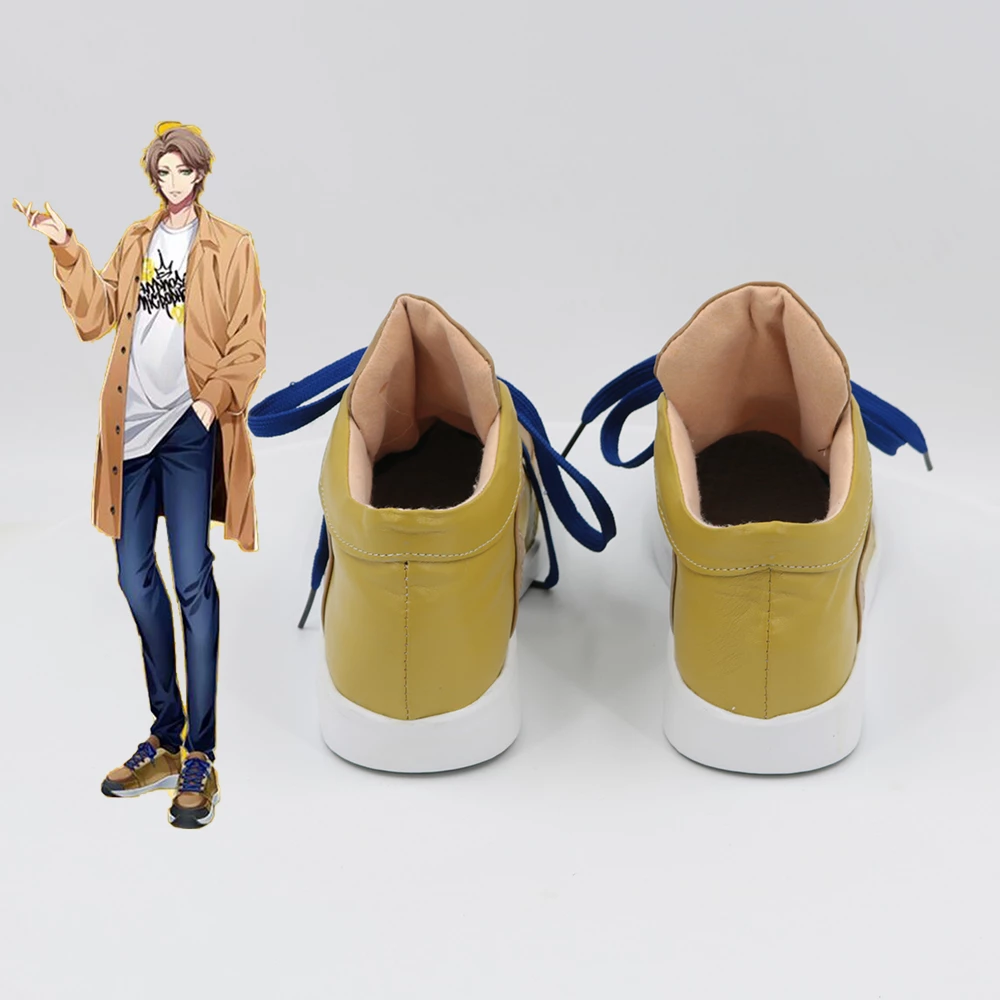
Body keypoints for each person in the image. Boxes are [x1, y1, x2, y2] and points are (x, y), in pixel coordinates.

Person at [12, 121, 266, 829]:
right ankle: (166, 734)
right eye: (164, 173)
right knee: (133, 575)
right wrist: (65, 247)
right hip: (131, 429)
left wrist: (210, 406)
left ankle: (200, 756)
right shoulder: (136, 241)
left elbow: (250, 341)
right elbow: (96, 316)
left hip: (188, 430)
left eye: (184, 171)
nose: (174, 183)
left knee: (192, 580)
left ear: (201, 174)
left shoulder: (231, 246)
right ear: (154, 177)